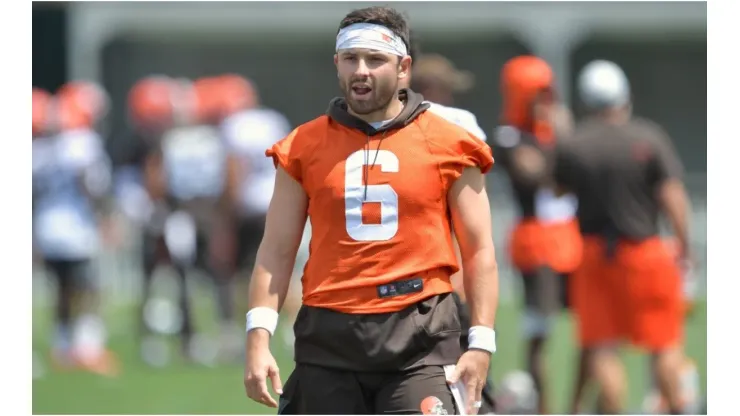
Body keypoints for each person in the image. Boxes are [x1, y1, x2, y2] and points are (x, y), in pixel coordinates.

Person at [243, 6, 499, 415]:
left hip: (420, 338)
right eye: (351, 58)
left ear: (403, 68)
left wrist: (482, 342)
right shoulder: (302, 147)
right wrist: (258, 338)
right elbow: (275, 251)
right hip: (329, 339)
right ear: (337, 65)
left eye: (375, 59)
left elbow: (480, 249)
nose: (361, 70)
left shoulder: (451, 142)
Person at [554, 60, 692, 414]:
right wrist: (685, 246)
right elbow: (673, 198)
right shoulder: (649, 137)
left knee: (603, 347)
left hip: (596, 255)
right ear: (624, 95)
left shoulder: (575, 144)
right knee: (664, 343)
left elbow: (556, 190)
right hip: (647, 251)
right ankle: (677, 407)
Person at [402, 44, 497, 414]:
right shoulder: (460, 122)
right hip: (452, 270)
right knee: (463, 380)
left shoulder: (384, 124)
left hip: (404, 270)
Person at [491, 56, 587, 414]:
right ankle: (543, 409)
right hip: (537, 243)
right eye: (536, 93)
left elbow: (581, 169)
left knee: (591, 331)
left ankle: (577, 407)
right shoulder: (509, 134)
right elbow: (533, 174)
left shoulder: (558, 130)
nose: (544, 101)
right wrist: (560, 142)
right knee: (539, 332)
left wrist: (564, 135)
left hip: (573, 238)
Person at [32, 81, 118, 376]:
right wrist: (105, 216)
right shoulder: (81, 143)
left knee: (61, 291)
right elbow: (90, 185)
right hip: (75, 227)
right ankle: (87, 348)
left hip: (46, 225)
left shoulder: (41, 147)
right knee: (91, 288)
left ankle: (62, 345)